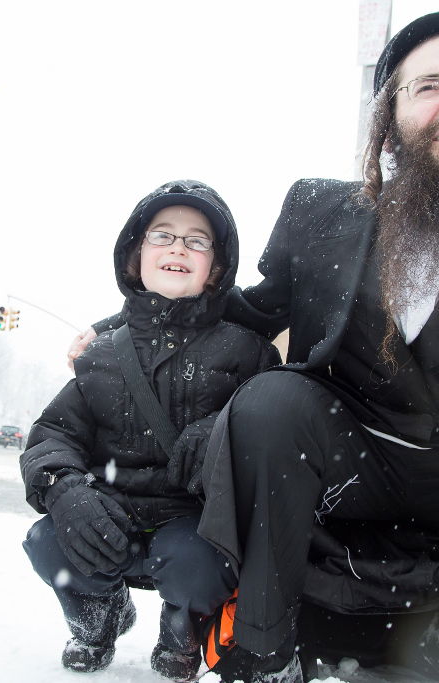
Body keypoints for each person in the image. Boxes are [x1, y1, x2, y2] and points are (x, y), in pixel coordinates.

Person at [68, 12, 439, 682]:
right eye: (430, 85)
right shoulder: (318, 213)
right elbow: (239, 314)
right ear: (390, 117)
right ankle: (267, 654)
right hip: (352, 463)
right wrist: (117, 337)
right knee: (271, 401)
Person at [22, 180, 281, 681]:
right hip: (110, 512)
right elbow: (53, 435)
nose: (179, 247)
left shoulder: (248, 352)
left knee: (197, 562)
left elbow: (270, 418)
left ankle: (181, 631)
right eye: (162, 235)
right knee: (50, 541)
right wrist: (66, 491)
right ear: (135, 258)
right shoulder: (100, 354)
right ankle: (98, 619)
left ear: (217, 268)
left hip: (193, 521)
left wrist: (221, 430)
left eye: (197, 240)